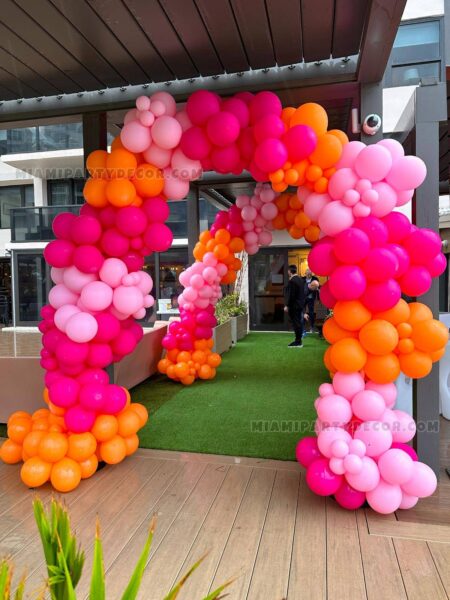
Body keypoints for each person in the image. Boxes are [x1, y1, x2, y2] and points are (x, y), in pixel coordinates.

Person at [284, 264, 306, 347]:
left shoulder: (292, 281)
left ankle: (298, 341)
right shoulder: (300, 280)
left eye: (288, 271)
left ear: (289, 271)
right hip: (299, 305)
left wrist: (287, 305)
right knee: (298, 323)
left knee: (296, 323)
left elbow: (291, 295)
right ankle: (298, 340)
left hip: (294, 306)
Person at [304, 269, 320, 334]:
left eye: (310, 273)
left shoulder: (315, 279)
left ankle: (311, 326)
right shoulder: (302, 279)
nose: (308, 274)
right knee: (302, 312)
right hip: (303, 298)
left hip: (311, 298)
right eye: (307, 273)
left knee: (311, 312)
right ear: (305, 273)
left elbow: (318, 289)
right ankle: (303, 327)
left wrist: (318, 299)